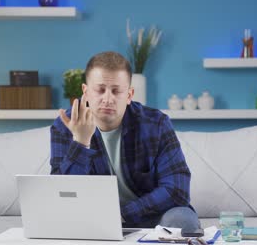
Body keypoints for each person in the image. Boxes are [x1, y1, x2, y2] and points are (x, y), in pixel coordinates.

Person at [50, 51, 199, 229]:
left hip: (149, 215)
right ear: (86, 92)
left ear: (129, 95)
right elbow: (61, 195)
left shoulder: (156, 123)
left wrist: (121, 215)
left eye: (116, 91)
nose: (107, 98)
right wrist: (81, 142)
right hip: (90, 217)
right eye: (100, 90)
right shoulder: (64, 126)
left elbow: (177, 189)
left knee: (183, 221)